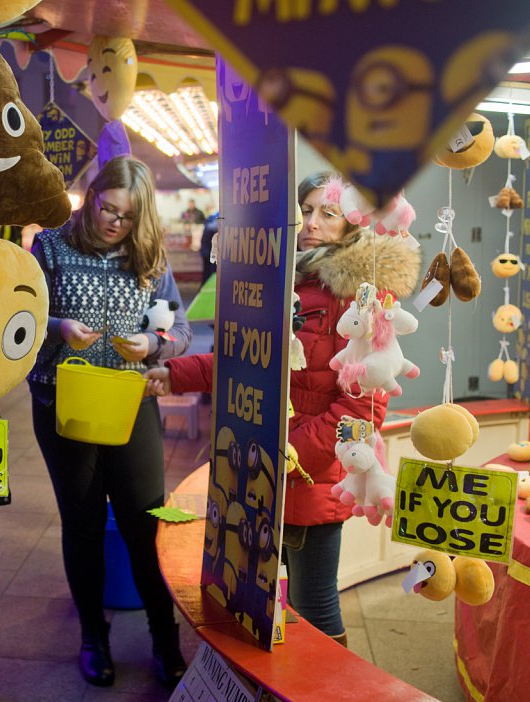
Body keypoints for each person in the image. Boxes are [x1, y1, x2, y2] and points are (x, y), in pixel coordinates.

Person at [145, 172, 422, 645]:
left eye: (327, 213)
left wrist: (282, 455)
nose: (312, 223)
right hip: (261, 477)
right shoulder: (283, 281)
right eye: (305, 211)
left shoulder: (361, 299)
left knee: (315, 611)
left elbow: (359, 414)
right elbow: (246, 355)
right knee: (260, 602)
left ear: (351, 224)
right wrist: (176, 374)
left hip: (309, 481)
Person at [26, 156, 193, 689]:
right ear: (92, 195)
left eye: (126, 216)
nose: (114, 222)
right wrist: (57, 327)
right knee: (82, 523)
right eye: (107, 208)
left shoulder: (148, 255)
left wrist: (152, 344)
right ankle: (93, 638)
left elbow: (179, 329)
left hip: (129, 402)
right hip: (63, 403)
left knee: (145, 521)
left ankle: (163, 638)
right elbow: (21, 317)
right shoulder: (51, 246)